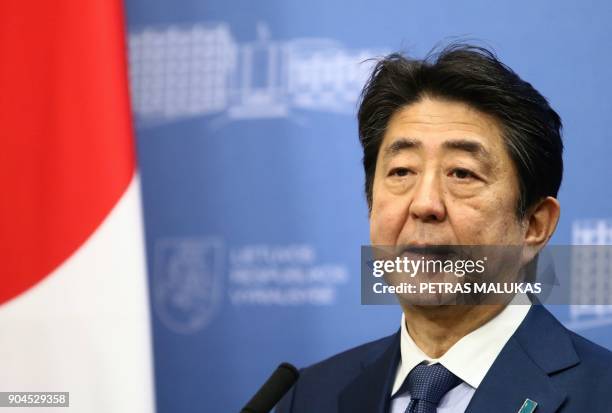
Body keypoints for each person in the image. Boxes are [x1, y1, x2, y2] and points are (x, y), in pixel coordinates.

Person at [276, 44, 612, 413]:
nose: (424, 204)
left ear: (534, 225)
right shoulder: (309, 395)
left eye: (462, 174)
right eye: (402, 171)